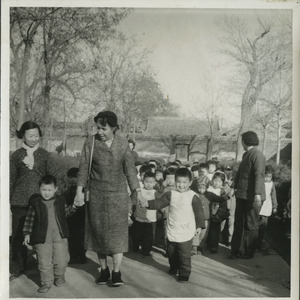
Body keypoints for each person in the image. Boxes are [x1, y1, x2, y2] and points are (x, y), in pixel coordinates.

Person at [74, 111, 143, 286]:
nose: (100, 132)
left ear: (113, 128)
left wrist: (137, 190)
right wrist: (79, 191)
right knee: (99, 234)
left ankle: (117, 271)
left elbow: (130, 170)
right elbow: (83, 168)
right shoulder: (91, 142)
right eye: (98, 128)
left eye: (103, 128)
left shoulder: (122, 144)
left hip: (118, 195)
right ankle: (104, 270)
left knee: (118, 235)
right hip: (97, 194)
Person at [139, 168, 205, 282]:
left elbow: (199, 212)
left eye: (184, 182)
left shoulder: (193, 196)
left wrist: (199, 226)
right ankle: (174, 267)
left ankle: (184, 273)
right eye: (179, 182)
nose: (181, 185)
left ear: (190, 182)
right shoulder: (171, 194)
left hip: (186, 230)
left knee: (184, 254)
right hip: (173, 228)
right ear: (175, 181)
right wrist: (148, 204)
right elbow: (160, 202)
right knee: (171, 252)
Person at [10, 121, 55, 280]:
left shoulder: (44, 154)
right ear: (23, 136)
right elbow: (10, 179)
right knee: (18, 234)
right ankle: (19, 265)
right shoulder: (16, 155)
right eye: (30, 136)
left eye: (36, 135)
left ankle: (42, 264)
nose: (34, 138)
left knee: (40, 234)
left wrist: (53, 198)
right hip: (19, 201)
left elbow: (51, 178)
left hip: (40, 201)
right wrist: (8, 200)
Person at [23, 175, 76, 293]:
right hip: (41, 239)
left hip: (60, 237)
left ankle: (59, 275)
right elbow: (29, 219)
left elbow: (66, 213)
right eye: (43, 190)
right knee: (43, 261)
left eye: (49, 190)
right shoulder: (35, 203)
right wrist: (27, 234)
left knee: (62, 260)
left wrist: (74, 207)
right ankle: (46, 282)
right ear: (39, 189)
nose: (46, 193)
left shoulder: (60, 201)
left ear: (55, 189)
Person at [230, 131, 266, 259]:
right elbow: (240, 174)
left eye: (242, 141)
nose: (241, 144)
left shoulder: (258, 156)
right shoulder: (247, 155)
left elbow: (259, 176)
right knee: (238, 223)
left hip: (252, 197)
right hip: (242, 195)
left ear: (246, 141)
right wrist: (234, 187)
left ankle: (248, 252)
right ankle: (236, 249)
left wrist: (257, 194)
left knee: (251, 224)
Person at [191, 175, 229, 255]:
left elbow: (219, 199)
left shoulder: (210, 195)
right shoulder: (194, 194)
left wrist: (228, 196)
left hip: (206, 218)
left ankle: (200, 247)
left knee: (204, 233)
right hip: (196, 218)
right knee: (195, 233)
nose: (201, 190)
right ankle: (194, 247)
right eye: (199, 188)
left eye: (203, 188)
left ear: (207, 187)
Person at [131, 171, 158, 256]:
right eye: (146, 182)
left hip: (151, 219)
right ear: (142, 181)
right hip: (139, 217)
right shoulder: (140, 191)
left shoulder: (155, 192)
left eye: (151, 182)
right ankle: (135, 246)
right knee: (137, 234)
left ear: (154, 183)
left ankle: (146, 250)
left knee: (149, 236)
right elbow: (134, 202)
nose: (149, 184)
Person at [63, 167, 86, 264]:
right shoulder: (66, 191)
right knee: (72, 238)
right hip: (70, 218)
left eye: (75, 177)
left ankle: (81, 255)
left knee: (82, 238)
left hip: (82, 217)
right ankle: (72, 256)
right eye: (70, 177)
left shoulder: (84, 191)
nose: (72, 179)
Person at [206, 172, 230, 253]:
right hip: (208, 213)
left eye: (220, 181)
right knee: (207, 229)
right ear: (212, 180)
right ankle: (207, 244)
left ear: (223, 183)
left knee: (215, 230)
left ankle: (214, 246)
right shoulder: (208, 189)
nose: (217, 183)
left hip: (217, 215)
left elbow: (224, 205)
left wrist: (219, 215)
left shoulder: (222, 192)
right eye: (215, 180)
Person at [257, 165, 278, 251]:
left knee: (263, 226)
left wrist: (275, 206)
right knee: (256, 225)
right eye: (266, 176)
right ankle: (253, 242)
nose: (267, 178)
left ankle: (259, 243)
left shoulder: (272, 184)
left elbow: (273, 195)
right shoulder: (260, 183)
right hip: (258, 205)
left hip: (267, 206)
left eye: (269, 177)